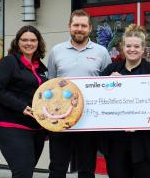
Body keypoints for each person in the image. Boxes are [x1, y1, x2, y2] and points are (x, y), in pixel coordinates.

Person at [47, 9, 111, 178]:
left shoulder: (101, 52)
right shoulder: (56, 51)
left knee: (87, 168)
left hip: (89, 119)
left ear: (90, 28)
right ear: (69, 27)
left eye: (83, 25)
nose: (79, 29)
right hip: (60, 118)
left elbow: (107, 85)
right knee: (57, 167)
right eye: (76, 25)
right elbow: (51, 83)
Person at [101, 24, 150, 178]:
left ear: (143, 49)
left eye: (137, 46)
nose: (132, 49)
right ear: (123, 47)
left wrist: (141, 121)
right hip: (116, 144)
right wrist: (106, 84)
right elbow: (99, 101)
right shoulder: (111, 70)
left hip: (146, 144)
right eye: (128, 46)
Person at [0, 25, 48, 178]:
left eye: (33, 40)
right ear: (17, 42)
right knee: (22, 173)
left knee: (26, 172)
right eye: (24, 40)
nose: (29, 43)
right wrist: (22, 107)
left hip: (36, 129)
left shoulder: (41, 67)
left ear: (38, 43)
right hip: (12, 125)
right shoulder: (8, 62)